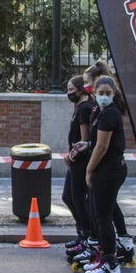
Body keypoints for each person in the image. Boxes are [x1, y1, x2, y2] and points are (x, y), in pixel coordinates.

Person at [81, 73, 134, 273]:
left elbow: (102, 147)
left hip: (109, 171)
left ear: (114, 94)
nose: (103, 96)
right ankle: (103, 257)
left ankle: (110, 264)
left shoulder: (109, 115)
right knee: (97, 212)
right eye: (100, 93)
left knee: (103, 217)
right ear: (94, 92)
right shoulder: (100, 111)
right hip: (105, 170)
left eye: (107, 93)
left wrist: (89, 169)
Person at [61, 74, 95, 253]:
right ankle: (81, 232)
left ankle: (87, 235)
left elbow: (83, 140)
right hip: (75, 160)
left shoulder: (84, 108)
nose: (69, 93)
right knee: (69, 197)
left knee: (78, 199)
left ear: (81, 90)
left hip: (80, 160)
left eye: (71, 90)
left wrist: (71, 156)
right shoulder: (79, 107)